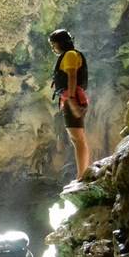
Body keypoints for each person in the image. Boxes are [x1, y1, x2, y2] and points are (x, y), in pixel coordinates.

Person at [49, 29, 90, 180]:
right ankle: (82, 173)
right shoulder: (68, 55)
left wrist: (71, 100)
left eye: (53, 44)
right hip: (69, 99)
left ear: (60, 43)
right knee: (76, 138)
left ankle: (82, 175)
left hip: (72, 98)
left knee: (77, 138)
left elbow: (72, 77)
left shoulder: (70, 55)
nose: (53, 48)